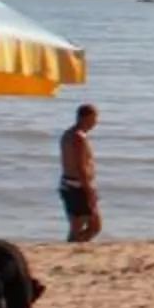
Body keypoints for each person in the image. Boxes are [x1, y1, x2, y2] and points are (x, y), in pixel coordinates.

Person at [58, 104, 102, 244]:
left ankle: (73, 247)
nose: (95, 123)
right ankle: (70, 249)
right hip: (77, 186)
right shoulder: (78, 137)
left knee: (78, 225)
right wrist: (89, 191)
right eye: (94, 119)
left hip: (68, 183)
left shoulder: (68, 134)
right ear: (85, 118)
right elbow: (80, 166)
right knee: (94, 225)